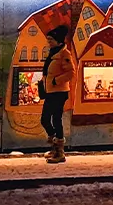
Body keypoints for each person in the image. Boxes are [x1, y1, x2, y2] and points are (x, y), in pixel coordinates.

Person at [40, 25, 75, 164]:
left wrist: (55, 81)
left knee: (55, 120)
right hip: (50, 92)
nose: (48, 41)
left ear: (58, 40)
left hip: (59, 92)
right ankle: (56, 148)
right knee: (45, 119)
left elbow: (71, 73)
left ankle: (59, 152)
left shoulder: (64, 54)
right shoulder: (53, 52)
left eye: (50, 39)